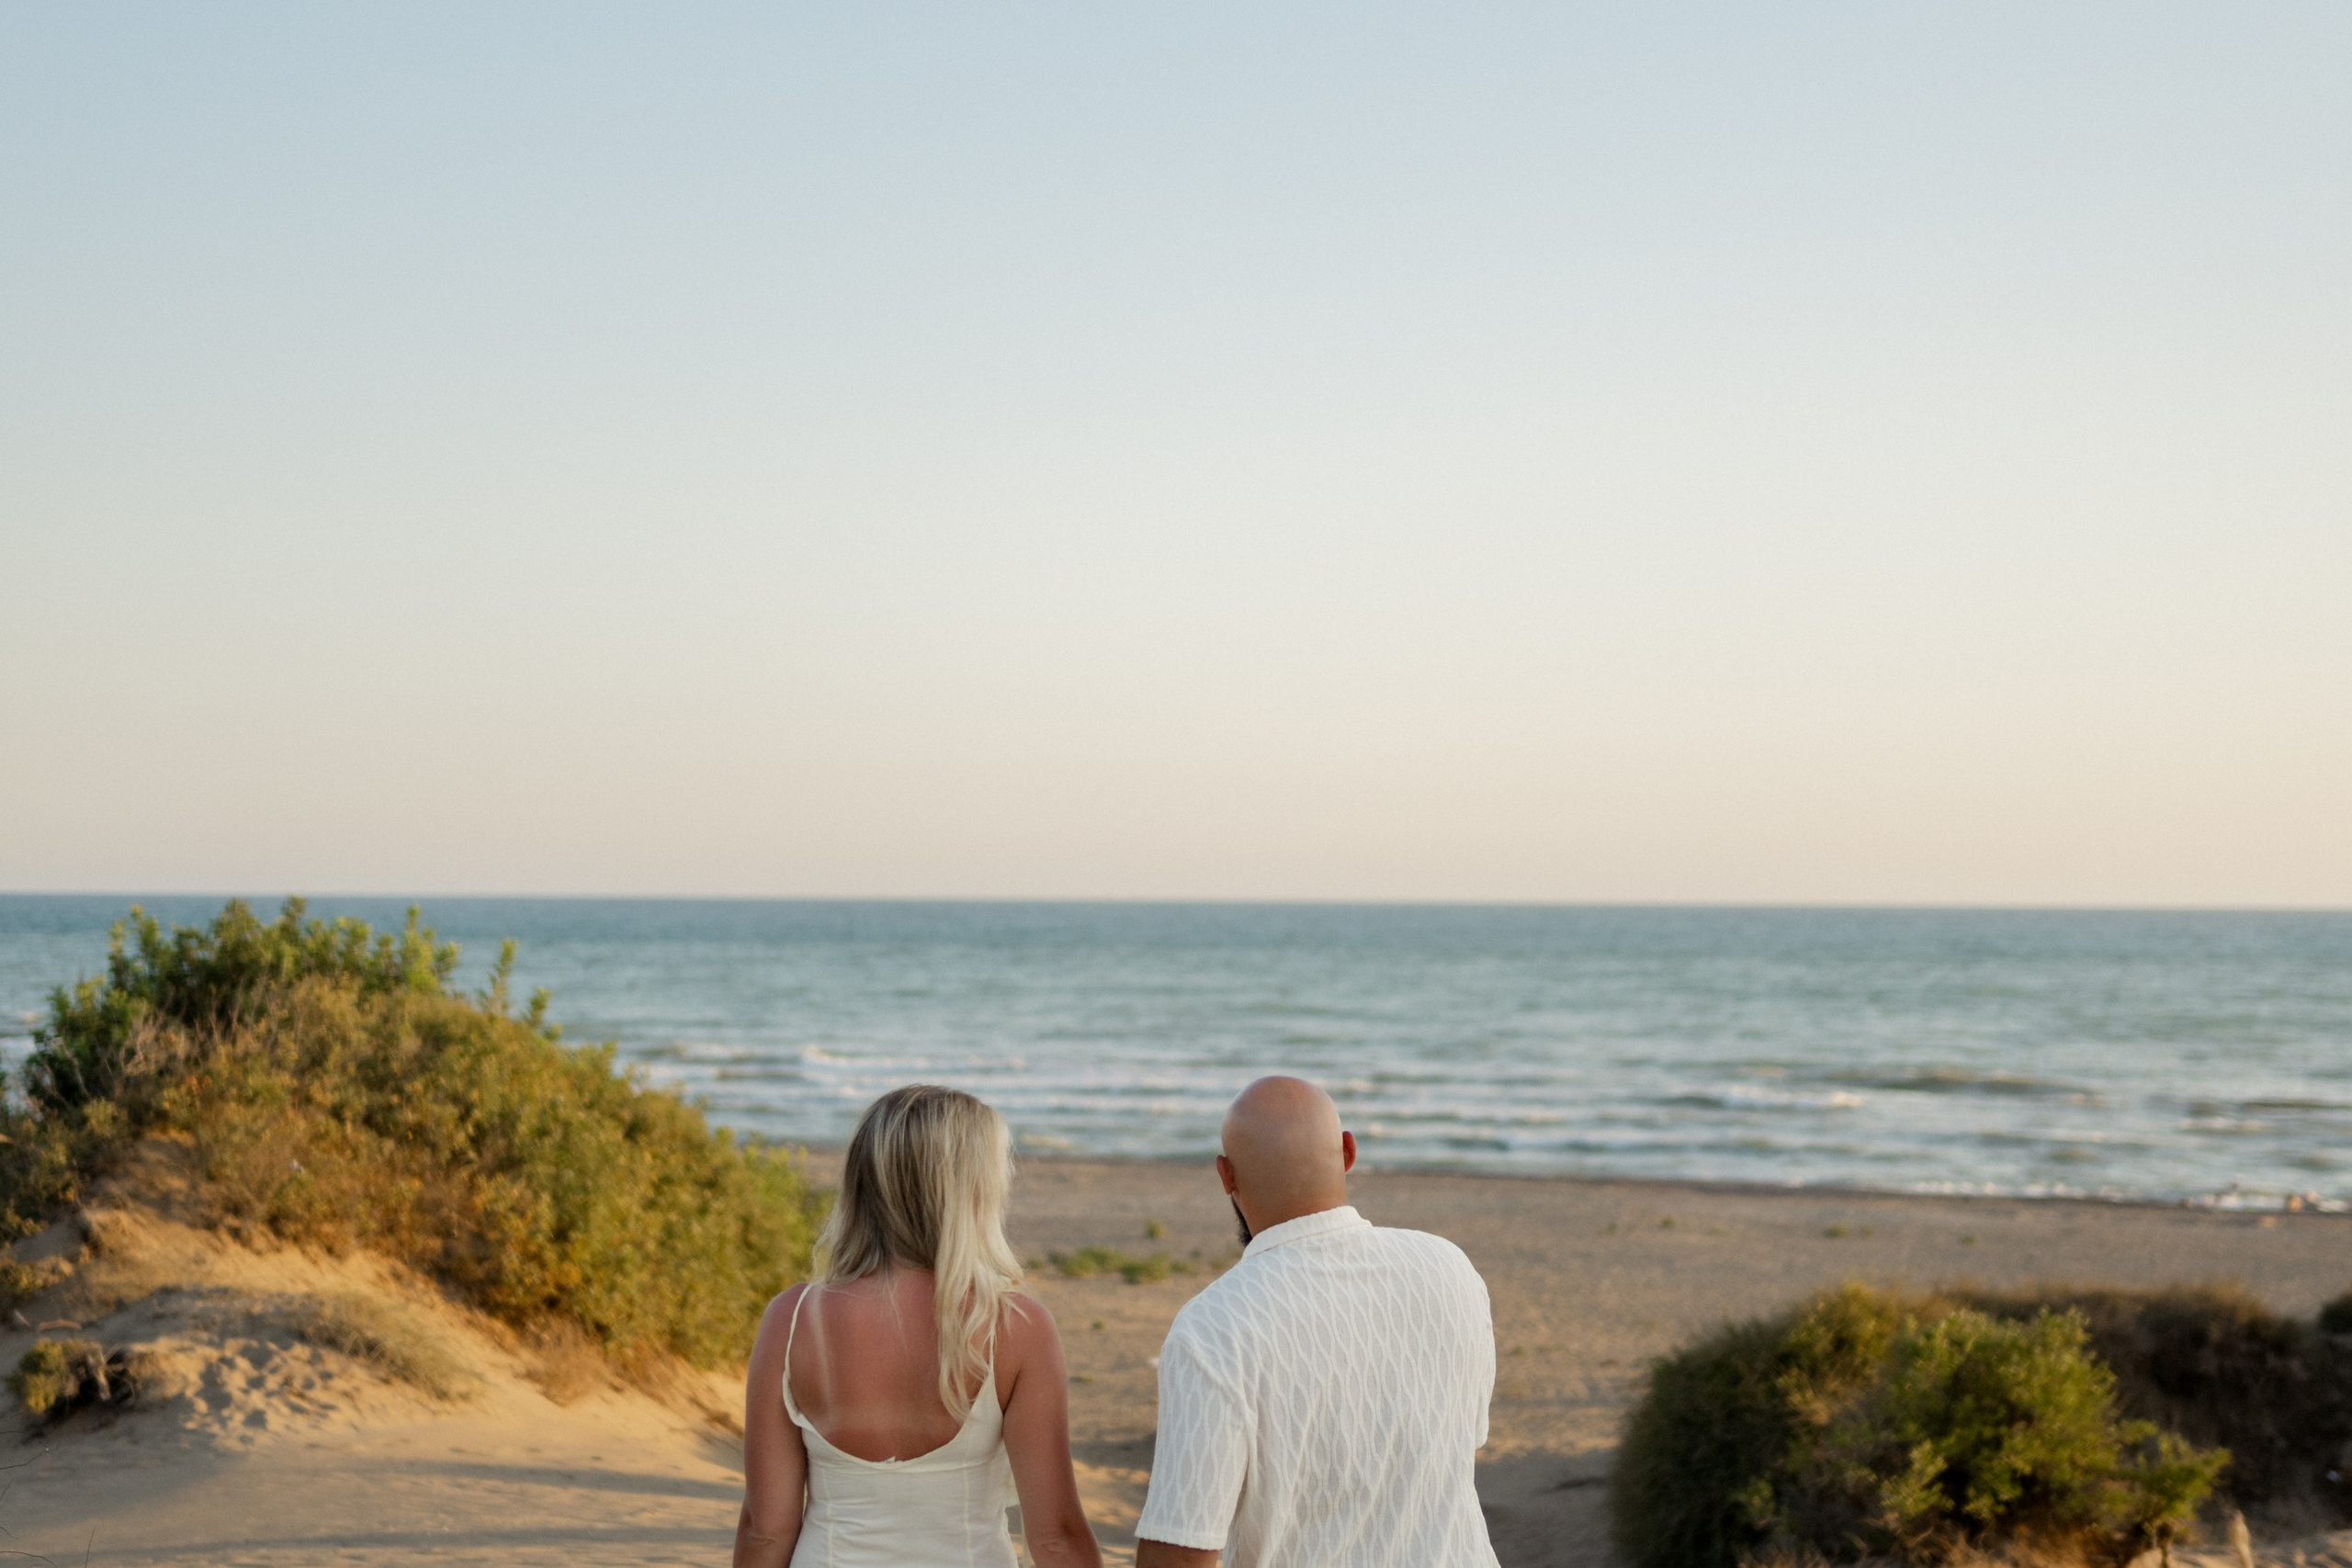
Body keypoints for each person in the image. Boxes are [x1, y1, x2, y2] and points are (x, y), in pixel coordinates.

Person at [1134, 1077, 1500, 1568]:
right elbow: (1461, 1443)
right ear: (1348, 1151)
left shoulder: (1213, 1329)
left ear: (1225, 1175)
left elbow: (1181, 1551)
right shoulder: (1449, 1268)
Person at [734, 1084, 1102, 1568]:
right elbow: (1056, 1537)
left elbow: (765, 1529)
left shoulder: (792, 1319)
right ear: (975, 1190)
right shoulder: (1014, 1327)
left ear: (862, 1185)